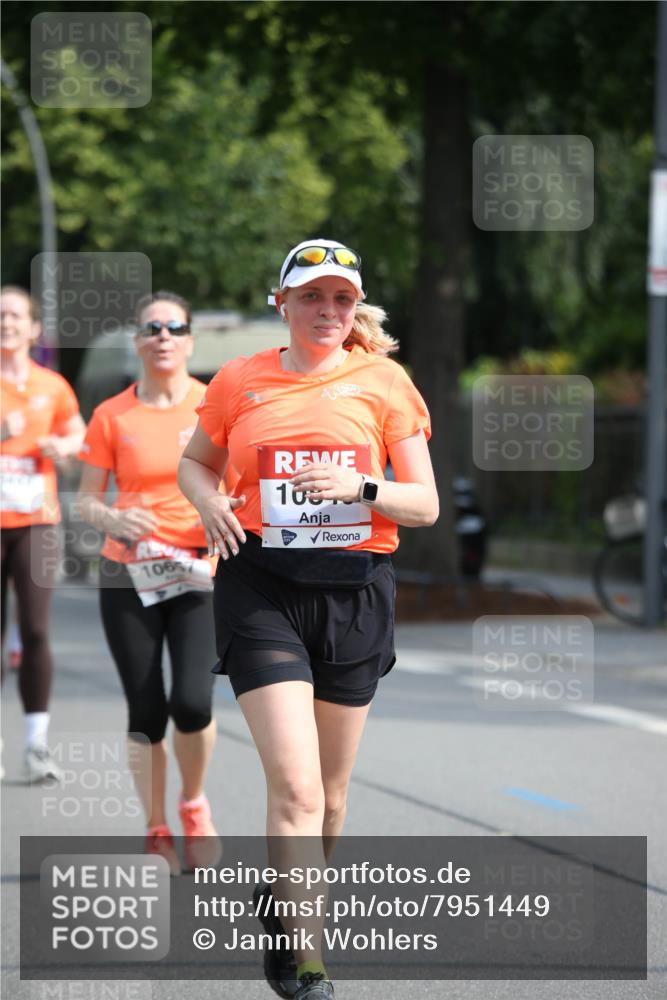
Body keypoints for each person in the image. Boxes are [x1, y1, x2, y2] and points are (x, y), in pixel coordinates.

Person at [178, 240, 439, 999]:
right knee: (293, 789)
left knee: (329, 796)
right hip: (261, 586)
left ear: (354, 308)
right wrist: (207, 500)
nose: (328, 312)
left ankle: (284, 901)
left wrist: (362, 486)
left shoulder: (384, 382)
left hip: (355, 589)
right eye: (312, 297)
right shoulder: (239, 379)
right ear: (281, 303)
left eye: (341, 299)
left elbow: (420, 503)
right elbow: (196, 462)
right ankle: (308, 962)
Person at [77, 290, 222, 874]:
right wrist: (114, 517)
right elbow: (85, 501)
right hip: (127, 573)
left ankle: (194, 805)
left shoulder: (216, 407)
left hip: (197, 570)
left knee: (192, 701)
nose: (163, 336)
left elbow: (239, 484)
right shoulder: (113, 414)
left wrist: (223, 511)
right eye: (151, 327)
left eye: (174, 327)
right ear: (138, 342)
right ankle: (156, 825)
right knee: (146, 710)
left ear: (189, 340)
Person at [1, 285, 86, 782]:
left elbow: (79, 434)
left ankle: (36, 745)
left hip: (36, 520)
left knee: (35, 630)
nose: (6, 323)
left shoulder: (52, 385)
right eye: (0, 316)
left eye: (15, 316)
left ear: (33, 329)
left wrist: (64, 445)